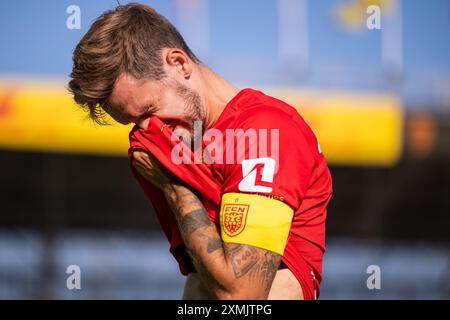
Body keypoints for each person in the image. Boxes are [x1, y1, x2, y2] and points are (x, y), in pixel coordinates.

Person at [68, 3, 332, 300]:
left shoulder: (266, 130)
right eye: (133, 122)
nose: (147, 131)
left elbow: (241, 296)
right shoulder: (178, 147)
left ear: (179, 64)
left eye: (150, 111)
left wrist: (174, 187)